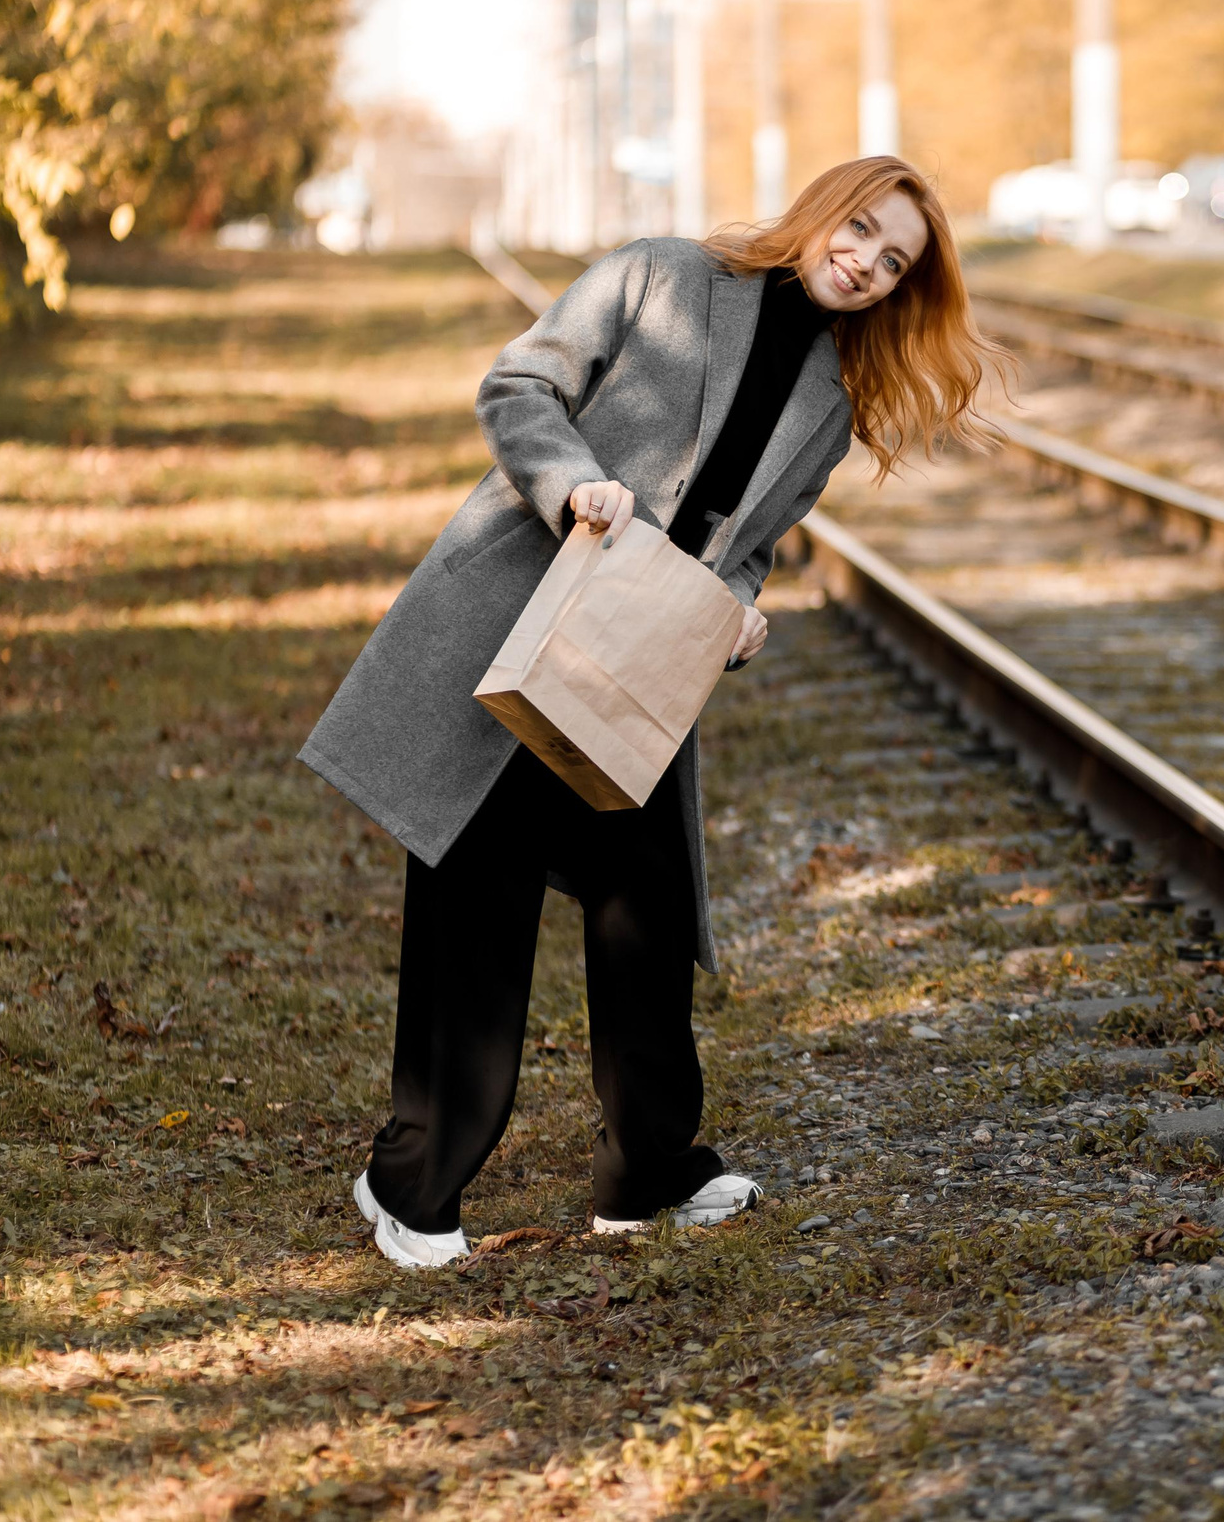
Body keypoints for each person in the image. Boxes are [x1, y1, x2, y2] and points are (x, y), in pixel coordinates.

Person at [299, 157, 1004, 1268]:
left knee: (648, 913)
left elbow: (752, 543)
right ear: (822, 210)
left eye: (893, 260)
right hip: (518, 623)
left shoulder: (830, 398)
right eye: (861, 228)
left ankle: (651, 1173)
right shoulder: (662, 276)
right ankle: (410, 1181)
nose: (865, 261)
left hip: (636, 662)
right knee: (477, 903)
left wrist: (740, 609)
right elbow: (517, 387)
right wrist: (570, 481)